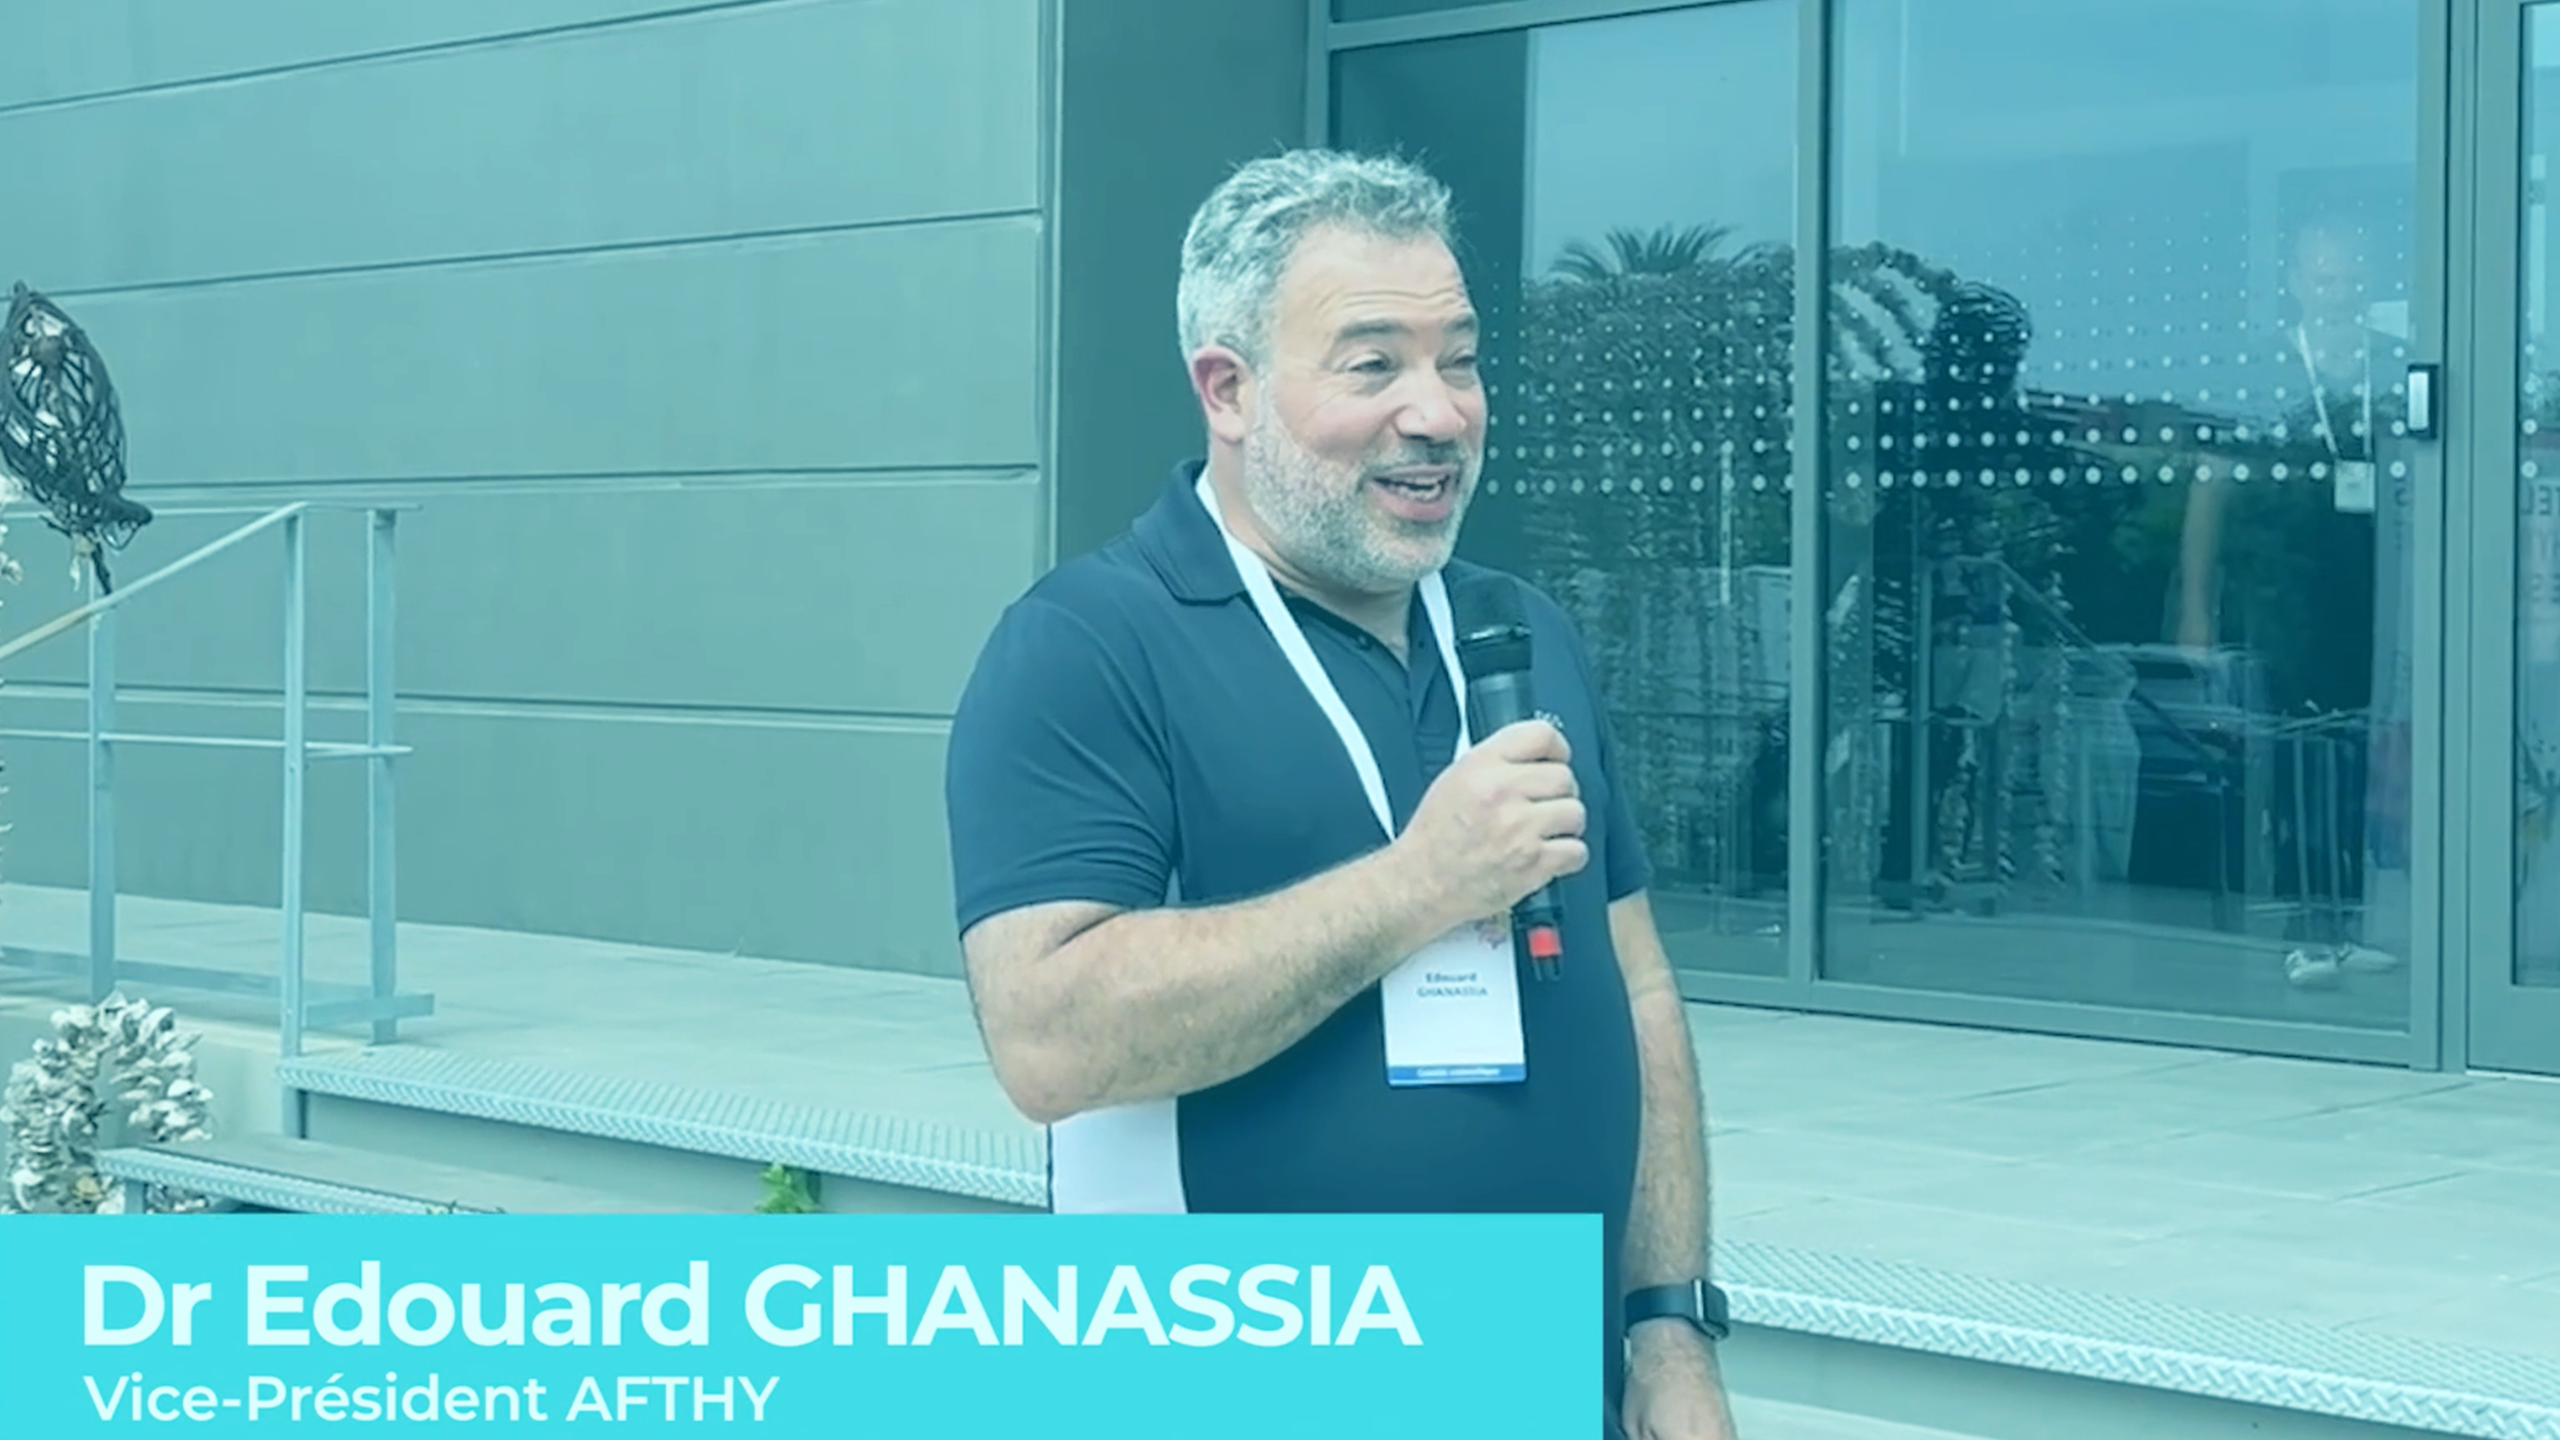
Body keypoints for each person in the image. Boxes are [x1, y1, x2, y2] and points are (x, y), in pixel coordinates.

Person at [943, 149, 1739, 1440]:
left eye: (1460, 361)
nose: (1439, 412)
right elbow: (1049, 1040)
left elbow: (1638, 988)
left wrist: (1667, 1325)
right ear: (1229, 389)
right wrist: (1421, 885)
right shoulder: (1089, 645)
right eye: (1374, 366)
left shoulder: (1522, 630)